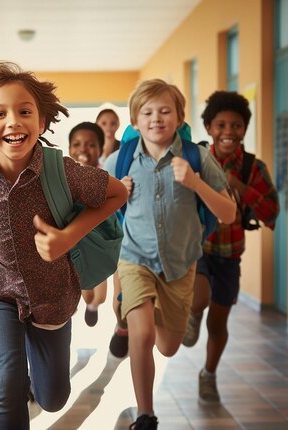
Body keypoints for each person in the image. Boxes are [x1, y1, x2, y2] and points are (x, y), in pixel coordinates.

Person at [0, 61, 128, 429]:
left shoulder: (61, 170)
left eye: (25, 112)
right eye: (0, 113)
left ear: (41, 121)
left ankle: (40, 377)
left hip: (53, 293)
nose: (13, 122)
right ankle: (16, 370)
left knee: (53, 398)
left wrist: (68, 237)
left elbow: (116, 193)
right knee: (6, 383)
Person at [103, 79, 236, 430]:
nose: (156, 119)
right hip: (134, 258)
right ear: (135, 121)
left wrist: (195, 183)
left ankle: (133, 311)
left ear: (179, 117)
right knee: (142, 334)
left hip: (180, 265)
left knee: (168, 347)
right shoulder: (121, 160)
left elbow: (228, 213)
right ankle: (145, 416)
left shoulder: (197, 157)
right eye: (147, 112)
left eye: (165, 111)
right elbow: (94, 205)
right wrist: (117, 194)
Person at [182, 91, 279, 405]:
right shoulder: (196, 158)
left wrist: (240, 188)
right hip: (199, 247)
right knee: (200, 297)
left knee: (219, 323)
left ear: (245, 130)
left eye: (236, 126)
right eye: (220, 125)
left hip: (230, 254)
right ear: (209, 128)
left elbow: (271, 211)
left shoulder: (253, 167)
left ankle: (208, 374)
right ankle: (192, 313)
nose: (228, 132)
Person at [67, 121, 110, 327]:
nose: (83, 149)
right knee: (84, 291)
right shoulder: (64, 177)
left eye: (90, 145)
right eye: (76, 144)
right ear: (69, 149)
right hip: (73, 245)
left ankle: (93, 307)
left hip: (99, 246)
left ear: (101, 149)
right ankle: (85, 304)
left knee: (99, 295)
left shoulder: (106, 178)